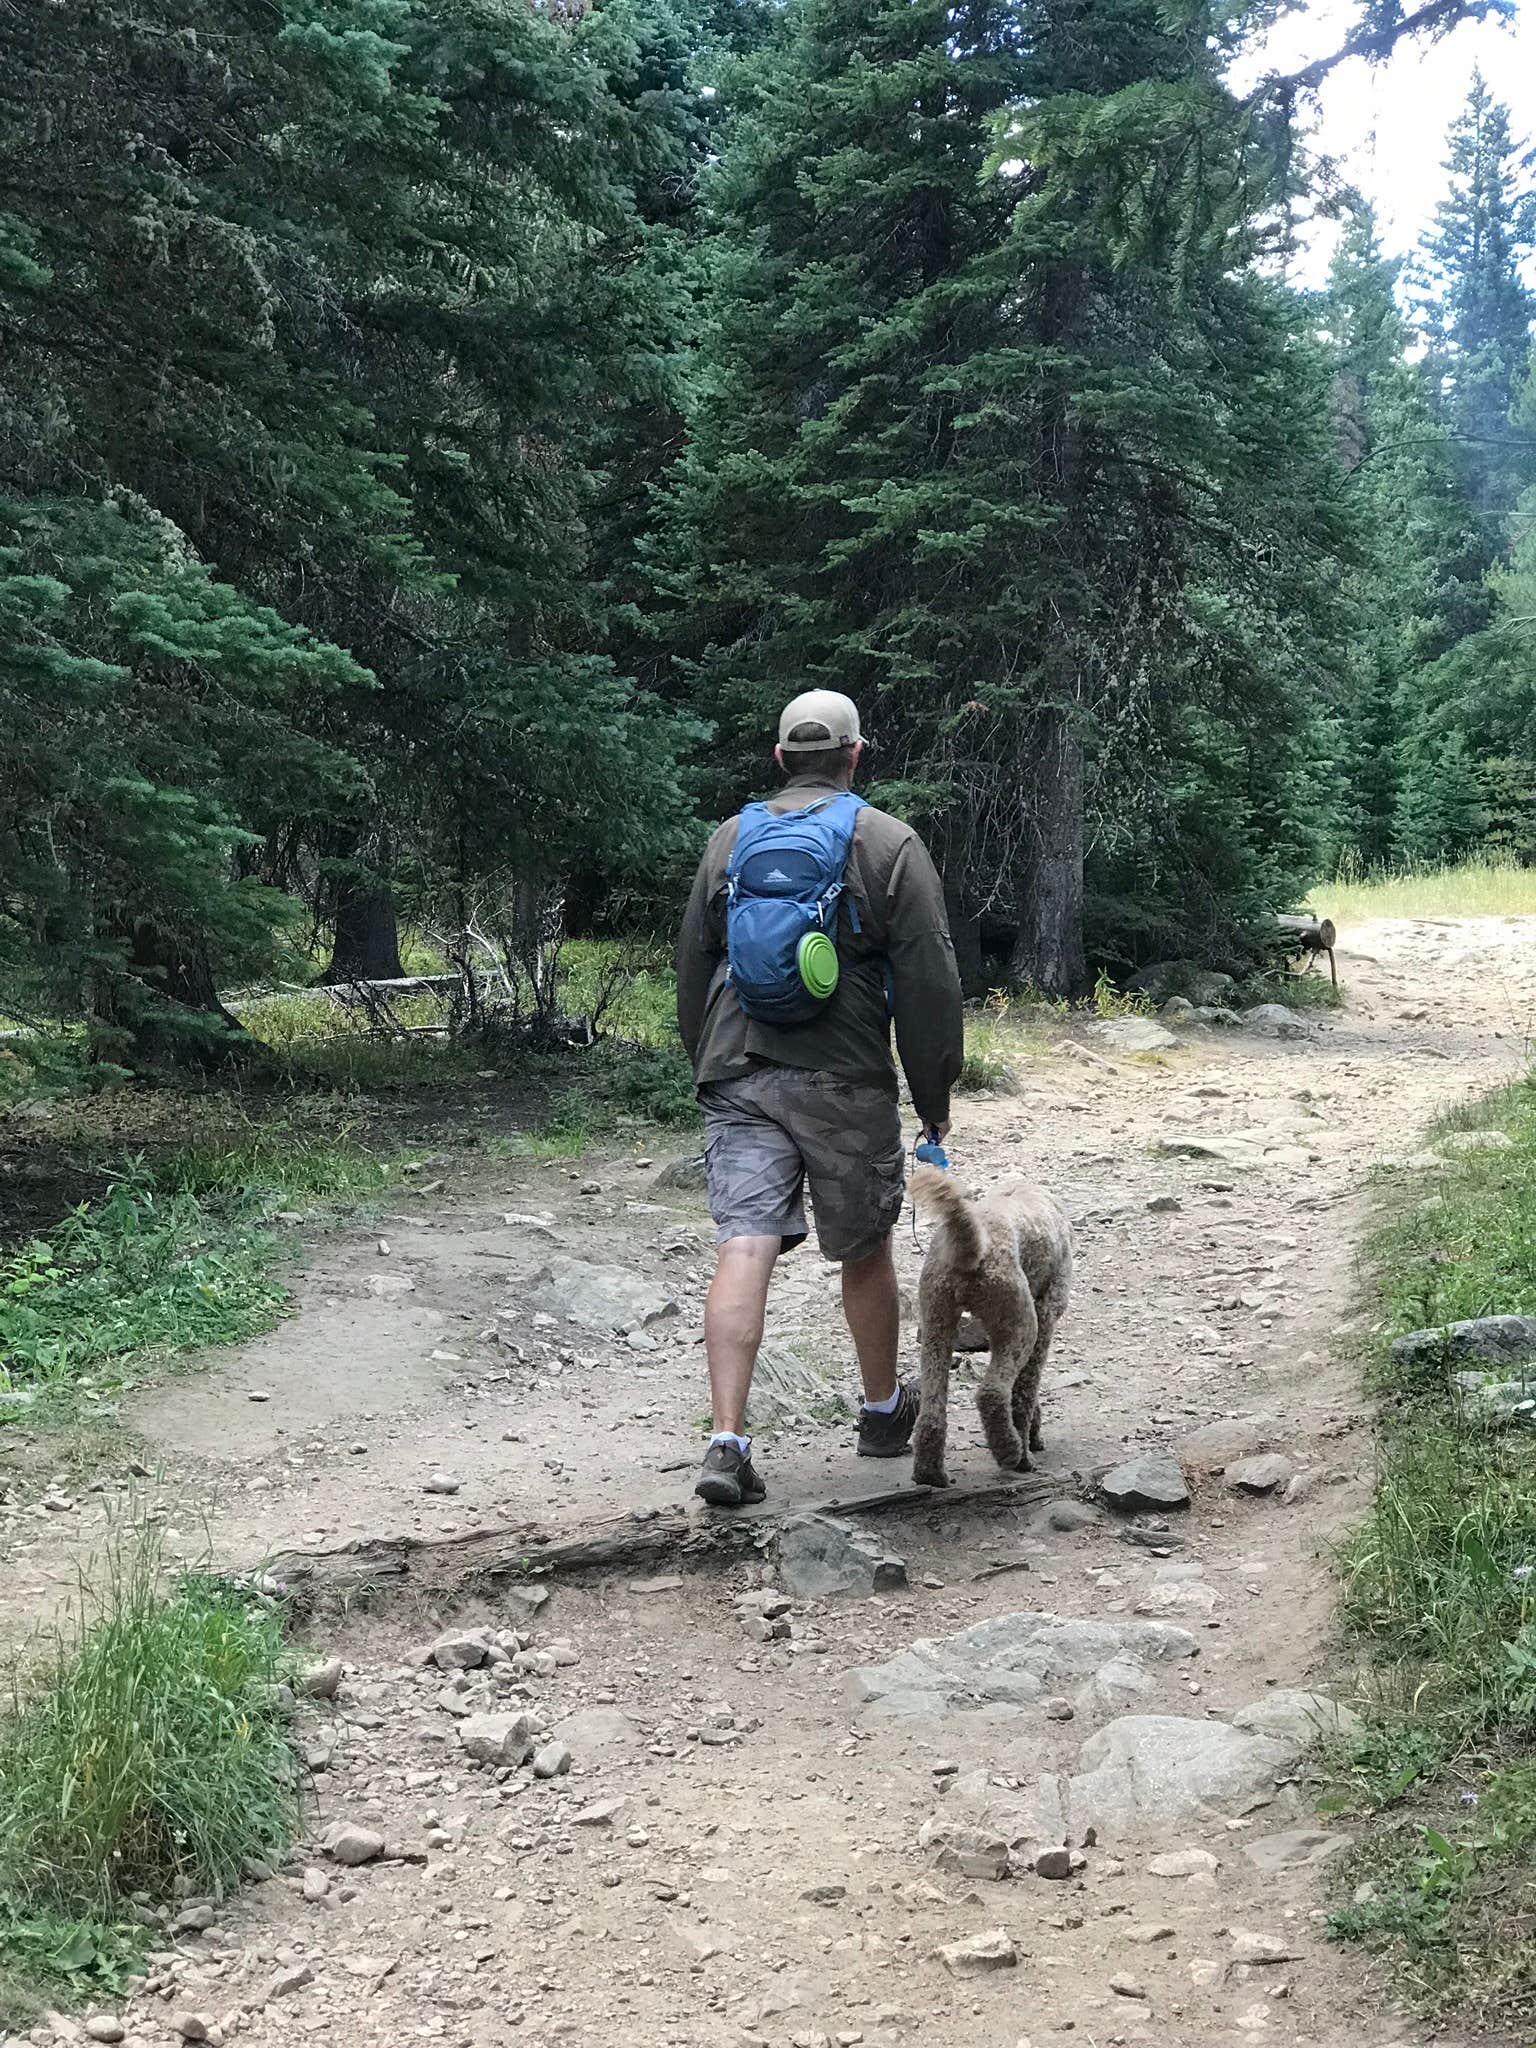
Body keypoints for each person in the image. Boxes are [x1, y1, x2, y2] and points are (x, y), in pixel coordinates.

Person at [675, 689, 965, 1506]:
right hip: (843, 1077)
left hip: (737, 1066)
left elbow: (694, 967)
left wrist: (711, 1063)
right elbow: (929, 980)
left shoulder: (730, 840)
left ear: (779, 759)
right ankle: (881, 1414)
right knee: (864, 1245)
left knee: (745, 1241)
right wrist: (932, 1092)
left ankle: (727, 1441)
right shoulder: (887, 842)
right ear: (854, 755)